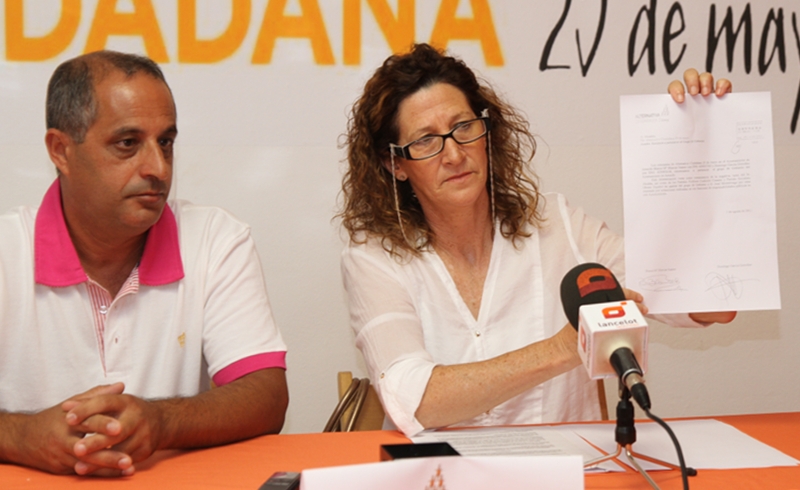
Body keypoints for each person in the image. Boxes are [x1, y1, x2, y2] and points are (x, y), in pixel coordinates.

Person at [339, 44, 735, 437]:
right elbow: (417, 401)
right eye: (425, 140)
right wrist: (563, 348)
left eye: (463, 127)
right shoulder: (373, 257)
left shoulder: (557, 224)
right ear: (395, 164)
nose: (454, 154)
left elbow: (709, 302)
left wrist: (699, 149)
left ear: (486, 130)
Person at [0, 51, 289, 476]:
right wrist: (19, 437)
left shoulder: (216, 239)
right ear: (60, 150)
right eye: (128, 144)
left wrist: (160, 422)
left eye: (166, 142)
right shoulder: (7, 251)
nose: (157, 168)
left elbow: (266, 397)